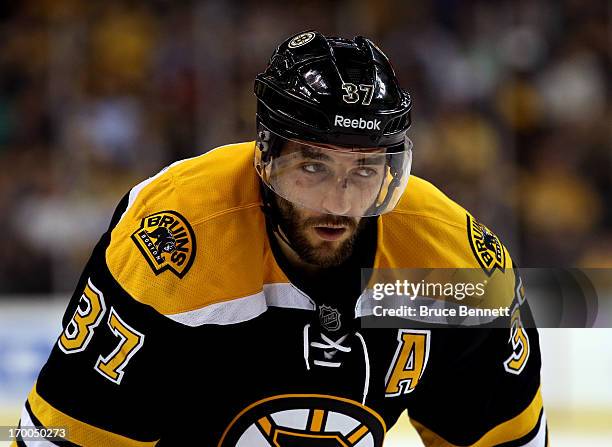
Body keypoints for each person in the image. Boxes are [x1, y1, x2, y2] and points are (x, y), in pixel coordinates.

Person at [13, 31, 547, 446]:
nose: (338, 202)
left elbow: (506, 438)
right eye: (313, 166)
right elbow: (65, 435)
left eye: (364, 169)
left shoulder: (456, 263)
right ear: (266, 156)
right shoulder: (175, 243)